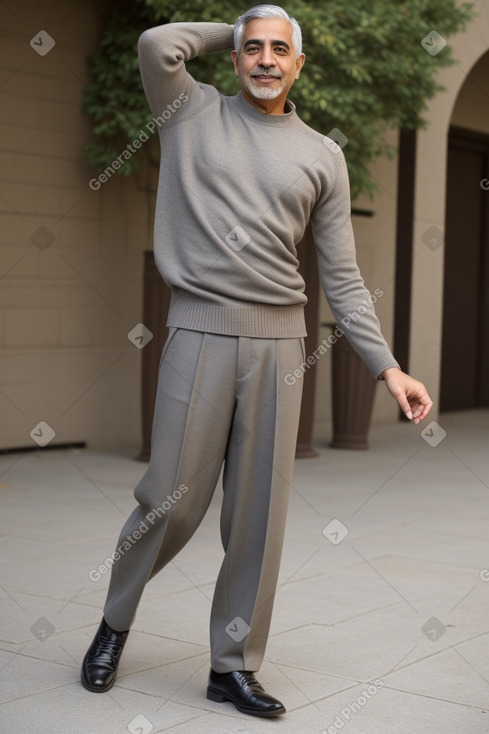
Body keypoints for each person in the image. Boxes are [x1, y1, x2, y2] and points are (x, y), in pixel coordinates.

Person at [81, 4, 433, 718]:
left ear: (299, 64)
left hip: (280, 347)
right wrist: (241, 20)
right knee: (167, 502)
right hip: (199, 333)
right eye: (252, 48)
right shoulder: (188, 110)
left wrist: (386, 365)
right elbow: (156, 42)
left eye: (280, 49)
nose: (266, 58)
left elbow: (340, 278)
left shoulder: (320, 154)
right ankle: (114, 623)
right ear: (235, 58)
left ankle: (230, 665)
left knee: (257, 520)